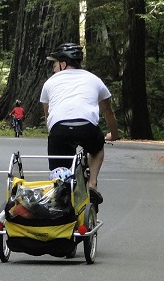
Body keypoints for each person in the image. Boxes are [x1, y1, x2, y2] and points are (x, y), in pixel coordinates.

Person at [40, 43, 119, 204]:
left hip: (59, 129)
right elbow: (108, 112)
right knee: (97, 147)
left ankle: (60, 196)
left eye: (55, 65)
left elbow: (48, 116)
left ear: (63, 64)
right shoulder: (94, 80)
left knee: (59, 174)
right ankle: (92, 184)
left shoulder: (49, 83)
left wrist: (56, 136)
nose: (54, 69)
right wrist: (114, 134)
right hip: (87, 128)